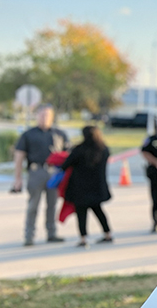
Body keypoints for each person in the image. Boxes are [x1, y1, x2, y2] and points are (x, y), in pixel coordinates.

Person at [12, 104, 70, 246]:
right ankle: (29, 236)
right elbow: (19, 156)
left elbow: (68, 155)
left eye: (47, 115)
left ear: (52, 117)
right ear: (37, 116)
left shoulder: (59, 134)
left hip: (54, 173)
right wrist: (17, 178)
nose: (44, 118)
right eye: (42, 115)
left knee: (52, 205)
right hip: (36, 171)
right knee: (33, 205)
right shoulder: (28, 134)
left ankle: (51, 233)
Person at [61, 126, 113, 247]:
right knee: (99, 211)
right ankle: (107, 234)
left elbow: (65, 165)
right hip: (97, 187)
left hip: (80, 187)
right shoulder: (104, 149)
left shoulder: (79, 149)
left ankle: (83, 239)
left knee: (81, 213)